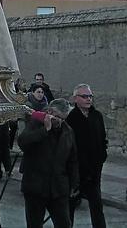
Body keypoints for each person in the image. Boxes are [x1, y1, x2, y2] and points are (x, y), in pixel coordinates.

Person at [18, 98, 79, 228]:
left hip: (58, 188)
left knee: (64, 223)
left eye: (63, 119)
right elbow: (23, 142)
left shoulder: (67, 131)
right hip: (36, 187)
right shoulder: (35, 123)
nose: (60, 122)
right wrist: (45, 131)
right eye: (57, 117)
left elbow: (72, 159)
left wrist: (74, 183)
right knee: (34, 224)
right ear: (50, 111)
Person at [66, 84, 107, 228]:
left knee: (97, 207)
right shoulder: (71, 119)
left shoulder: (97, 116)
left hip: (94, 171)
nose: (88, 99)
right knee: (69, 208)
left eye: (90, 96)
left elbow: (102, 139)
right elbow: (68, 146)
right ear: (76, 99)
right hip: (76, 173)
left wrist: (102, 157)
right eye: (84, 96)